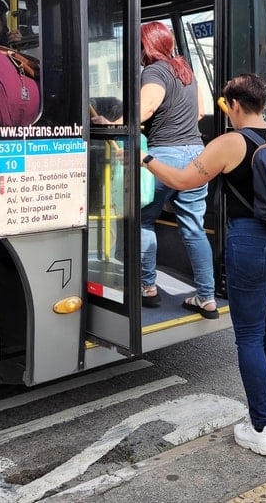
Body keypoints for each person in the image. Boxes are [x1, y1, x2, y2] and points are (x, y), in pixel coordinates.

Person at [141, 73, 266, 457]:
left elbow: (184, 181)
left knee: (250, 336)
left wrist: (146, 157)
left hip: (252, 245)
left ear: (234, 105)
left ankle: (260, 427)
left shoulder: (230, 142)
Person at [96, 22, 215, 316]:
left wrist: (113, 125)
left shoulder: (153, 71)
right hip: (196, 156)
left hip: (163, 156)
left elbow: (146, 108)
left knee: (143, 220)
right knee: (193, 228)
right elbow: (199, 112)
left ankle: (147, 287)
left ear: (145, 47)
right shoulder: (185, 70)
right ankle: (207, 296)